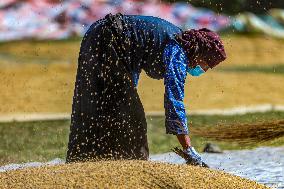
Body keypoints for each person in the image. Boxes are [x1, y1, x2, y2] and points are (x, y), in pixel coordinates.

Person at [66, 13, 226, 166]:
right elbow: (174, 99)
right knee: (132, 122)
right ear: (199, 53)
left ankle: (86, 164)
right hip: (108, 39)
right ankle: (131, 171)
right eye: (206, 64)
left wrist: (128, 92)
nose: (204, 70)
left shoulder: (174, 39)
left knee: (100, 109)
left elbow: (130, 64)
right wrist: (188, 148)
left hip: (98, 35)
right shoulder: (179, 51)